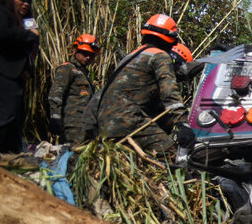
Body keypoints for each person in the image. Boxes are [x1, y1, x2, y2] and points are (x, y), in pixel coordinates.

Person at [98, 13, 187, 155]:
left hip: (103, 122)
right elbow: (169, 92)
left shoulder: (131, 56)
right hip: (127, 120)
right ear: (170, 40)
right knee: (170, 152)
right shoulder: (160, 56)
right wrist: (182, 123)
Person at [0, 0, 38, 153]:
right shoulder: (1, 13)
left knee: (16, 119)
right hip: (2, 75)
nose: (26, 3)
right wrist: (29, 36)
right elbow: (2, 34)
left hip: (17, 77)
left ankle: (11, 157)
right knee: (5, 118)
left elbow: (34, 38)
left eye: (28, 0)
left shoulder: (26, 19)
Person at [48, 34, 99, 144]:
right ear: (75, 50)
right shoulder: (67, 69)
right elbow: (56, 92)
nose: (88, 57)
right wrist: (55, 116)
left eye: (91, 55)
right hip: (73, 125)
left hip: (86, 124)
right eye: (85, 53)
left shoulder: (85, 73)